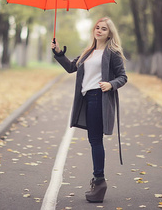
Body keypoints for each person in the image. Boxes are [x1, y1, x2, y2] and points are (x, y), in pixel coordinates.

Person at [51, 17, 127, 203]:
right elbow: (71, 68)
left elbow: (123, 77)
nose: (99, 31)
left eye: (104, 29)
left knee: (95, 140)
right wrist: (58, 52)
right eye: (97, 28)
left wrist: (111, 84)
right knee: (94, 140)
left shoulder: (112, 52)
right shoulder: (89, 52)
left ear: (110, 33)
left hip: (98, 98)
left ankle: (99, 181)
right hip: (87, 99)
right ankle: (99, 181)